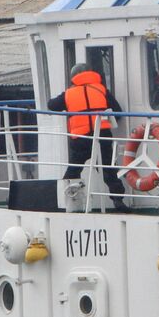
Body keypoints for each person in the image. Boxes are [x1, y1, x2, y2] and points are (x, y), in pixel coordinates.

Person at [47, 63, 128, 212]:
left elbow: (51, 105)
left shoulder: (69, 93)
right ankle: (118, 201)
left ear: (74, 77)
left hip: (80, 138)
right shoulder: (102, 89)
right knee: (108, 170)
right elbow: (117, 111)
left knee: (73, 170)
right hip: (102, 136)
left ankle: (67, 202)